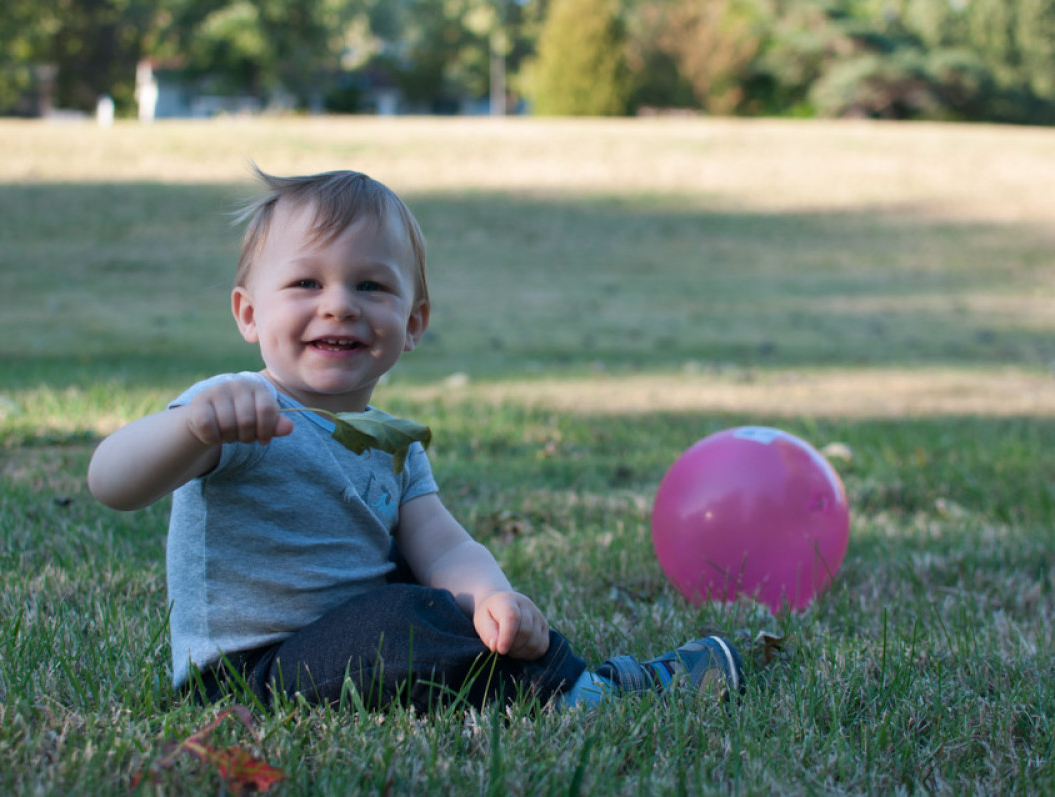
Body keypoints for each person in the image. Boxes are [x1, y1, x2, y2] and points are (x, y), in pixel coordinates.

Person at [87, 168, 745, 712]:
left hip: (358, 643)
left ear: (413, 323)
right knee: (406, 620)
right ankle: (586, 693)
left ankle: (552, 671)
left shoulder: (391, 441)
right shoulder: (234, 407)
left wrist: (493, 597)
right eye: (306, 283)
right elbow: (113, 482)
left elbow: (443, 545)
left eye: (370, 285)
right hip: (251, 674)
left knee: (450, 610)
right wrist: (191, 427)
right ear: (249, 313)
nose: (339, 304)